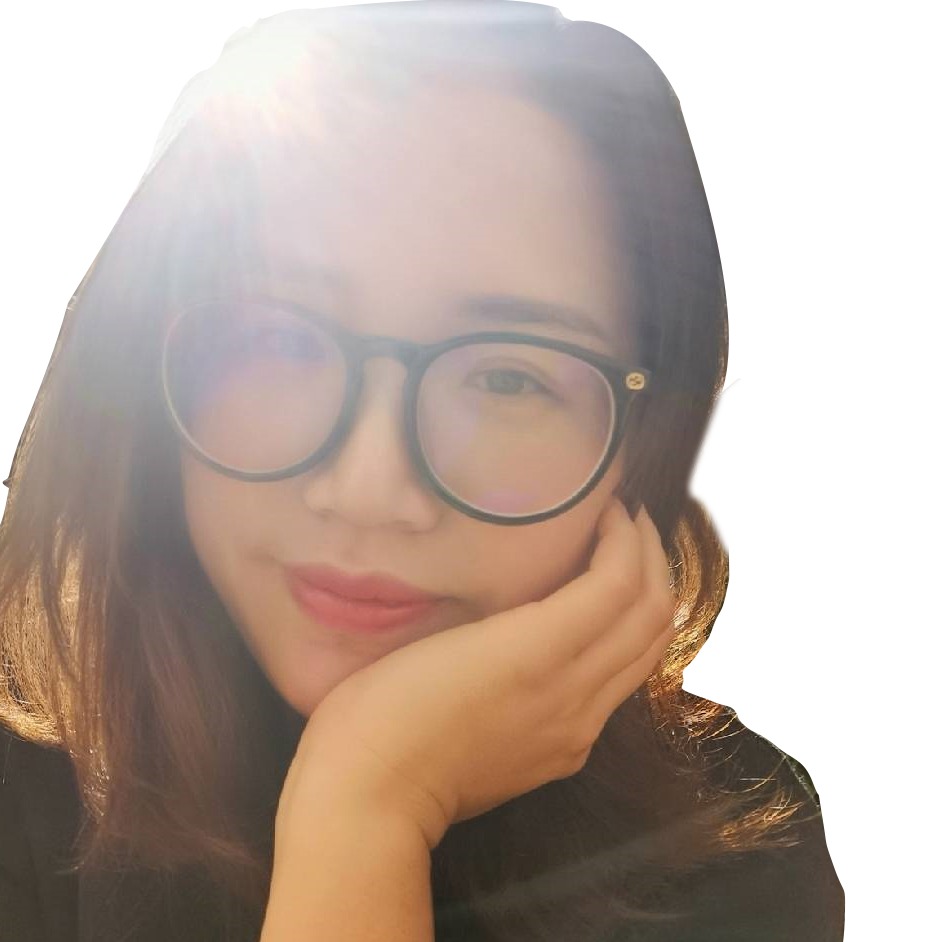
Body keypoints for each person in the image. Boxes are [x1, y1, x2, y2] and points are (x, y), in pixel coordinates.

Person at [0, 1, 844, 939]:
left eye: (508, 376)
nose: (371, 490)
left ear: (643, 439)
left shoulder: (738, 851)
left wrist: (369, 803)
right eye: (278, 340)